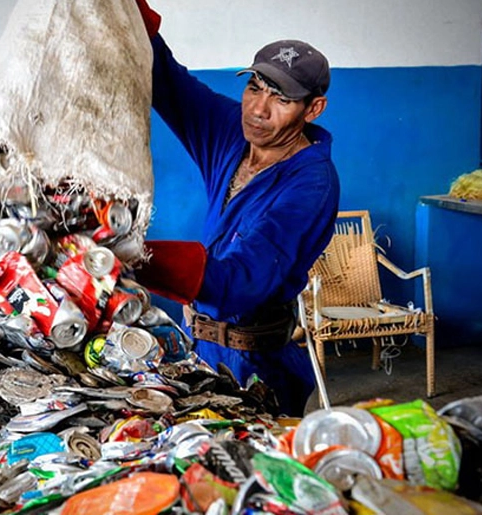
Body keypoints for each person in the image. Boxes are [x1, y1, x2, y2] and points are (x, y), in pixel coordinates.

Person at [134, 0, 340, 416]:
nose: (258, 109)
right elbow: (167, 81)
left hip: (261, 368)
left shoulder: (311, 184)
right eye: (254, 87)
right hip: (202, 352)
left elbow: (240, 283)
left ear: (313, 108)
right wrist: (128, 10)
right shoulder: (233, 132)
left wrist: (129, 256)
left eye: (280, 98)